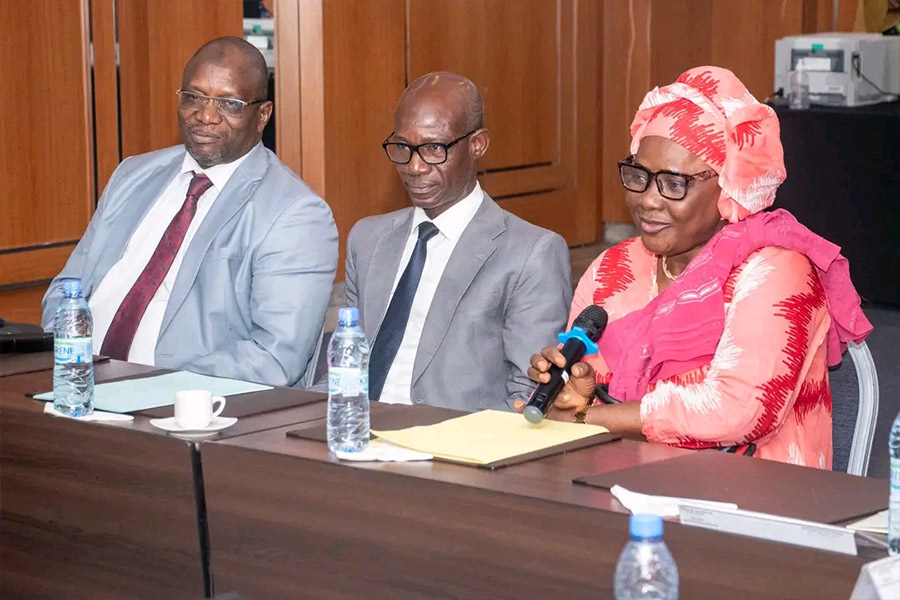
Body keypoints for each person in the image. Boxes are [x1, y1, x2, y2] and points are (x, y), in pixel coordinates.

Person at [524, 66, 872, 468]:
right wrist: (576, 395)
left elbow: (737, 410)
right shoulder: (613, 268)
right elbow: (593, 396)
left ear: (729, 186)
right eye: (638, 175)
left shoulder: (778, 271)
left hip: (753, 491)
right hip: (619, 480)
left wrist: (589, 419)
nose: (647, 200)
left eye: (674, 183)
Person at [42, 37, 338, 387]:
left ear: (262, 116)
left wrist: (157, 388)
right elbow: (66, 290)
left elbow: (274, 356)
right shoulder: (132, 175)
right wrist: (70, 361)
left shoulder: (295, 214)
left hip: (179, 402)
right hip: (73, 379)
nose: (206, 116)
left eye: (229, 104)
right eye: (193, 97)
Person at [345, 72, 572, 411]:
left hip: (454, 437)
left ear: (477, 144)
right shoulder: (367, 240)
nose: (415, 167)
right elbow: (344, 365)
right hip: (355, 427)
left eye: (433, 148)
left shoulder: (531, 254)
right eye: (403, 147)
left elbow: (527, 396)